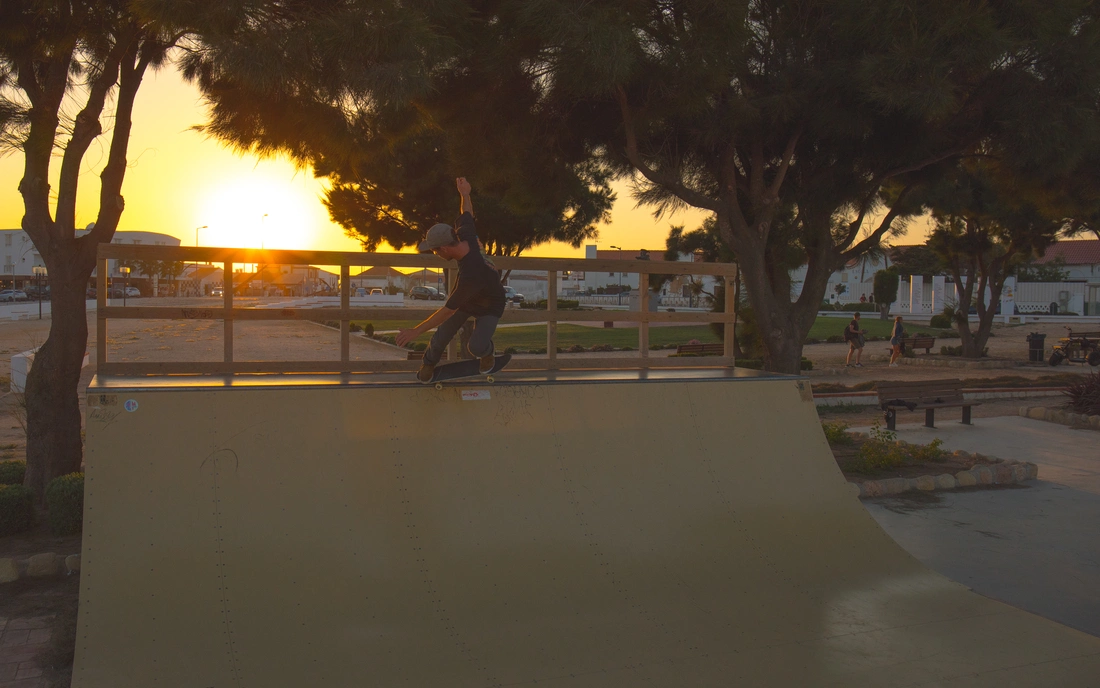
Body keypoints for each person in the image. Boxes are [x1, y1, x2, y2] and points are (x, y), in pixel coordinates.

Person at [396, 177, 506, 383]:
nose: (436, 254)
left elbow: (447, 311)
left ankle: (487, 352)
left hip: (492, 302)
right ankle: (428, 364)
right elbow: (467, 212)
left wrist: (415, 331)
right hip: (470, 298)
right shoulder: (464, 232)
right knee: (443, 333)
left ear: (444, 248)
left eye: (436, 251)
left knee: (475, 346)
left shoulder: (471, 273)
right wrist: (465, 194)